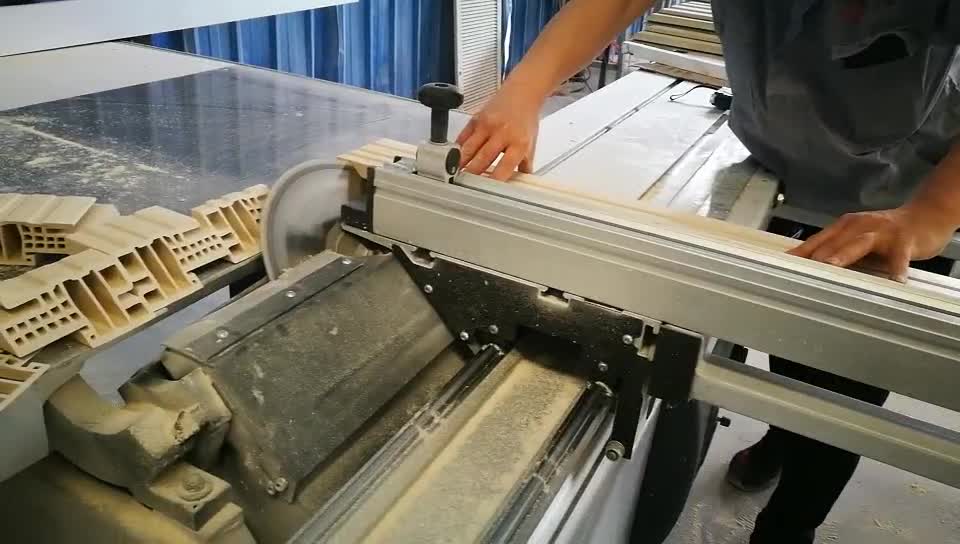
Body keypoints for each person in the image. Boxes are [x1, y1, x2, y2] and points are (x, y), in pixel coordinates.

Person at [455, 1, 960, 543]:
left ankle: (787, 526)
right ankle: (780, 438)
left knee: (842, 395)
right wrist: (525, 89)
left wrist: (933, 213)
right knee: (785, 338)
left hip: (893, 200)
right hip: (776, 164)